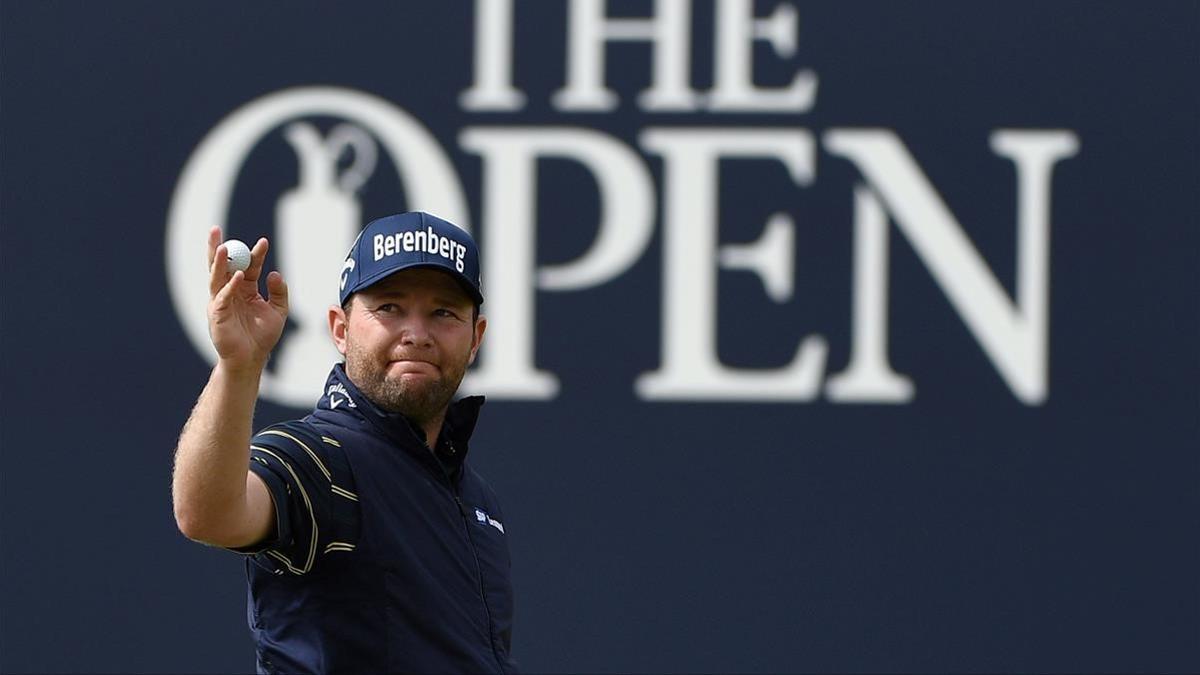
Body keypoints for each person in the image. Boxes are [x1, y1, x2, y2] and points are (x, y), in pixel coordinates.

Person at [172, 212, 518, 674]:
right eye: (389, 308)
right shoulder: (321, 459)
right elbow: (208, 514)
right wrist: (239, 367)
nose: (416, 333)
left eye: (443, 313)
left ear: (476, 338)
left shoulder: (479, 502)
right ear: (340, 329)